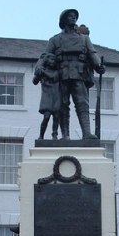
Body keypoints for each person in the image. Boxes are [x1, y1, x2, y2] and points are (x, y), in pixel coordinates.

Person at [44, 9, 105, 140]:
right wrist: (39, 69)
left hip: (79, 74)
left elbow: (92, 54)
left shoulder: (84, 39)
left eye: (74, 16)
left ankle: (86, 133)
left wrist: (98, 66)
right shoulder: (54, 40)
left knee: (82, 104)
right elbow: (45, 57)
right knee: (62, 105)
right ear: (64, 20)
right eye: (70, 16)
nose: (73, 18)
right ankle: (65, 135)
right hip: (61, 76)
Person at [33, 52, 61, 139]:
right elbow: (34, 82)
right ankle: (41, 135)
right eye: (51, 59)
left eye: (54, 60)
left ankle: (54, 134)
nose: (53, 61)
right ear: (46, 60)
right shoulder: (42, 71)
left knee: (56, 117)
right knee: (46, 116)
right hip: (47, 96)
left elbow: (53, 77)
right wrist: (38, 74)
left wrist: (42, 72)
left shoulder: (57, 72)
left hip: (56, 96)